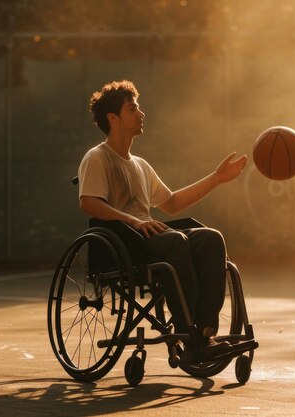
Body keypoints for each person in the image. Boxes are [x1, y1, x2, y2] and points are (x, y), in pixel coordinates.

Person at [77, 80, 247, 357]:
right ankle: (187, 332)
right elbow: (88, 202)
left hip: (150, 235)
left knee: (210, 238)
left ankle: (205, 331)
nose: (141, 114)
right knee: (174, 241)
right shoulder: (97, 157)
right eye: (133, 109)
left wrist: (217, 179)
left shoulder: (141, 165)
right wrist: (134, 221)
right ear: (113, 118)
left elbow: (172, 203)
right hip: (124, 242)